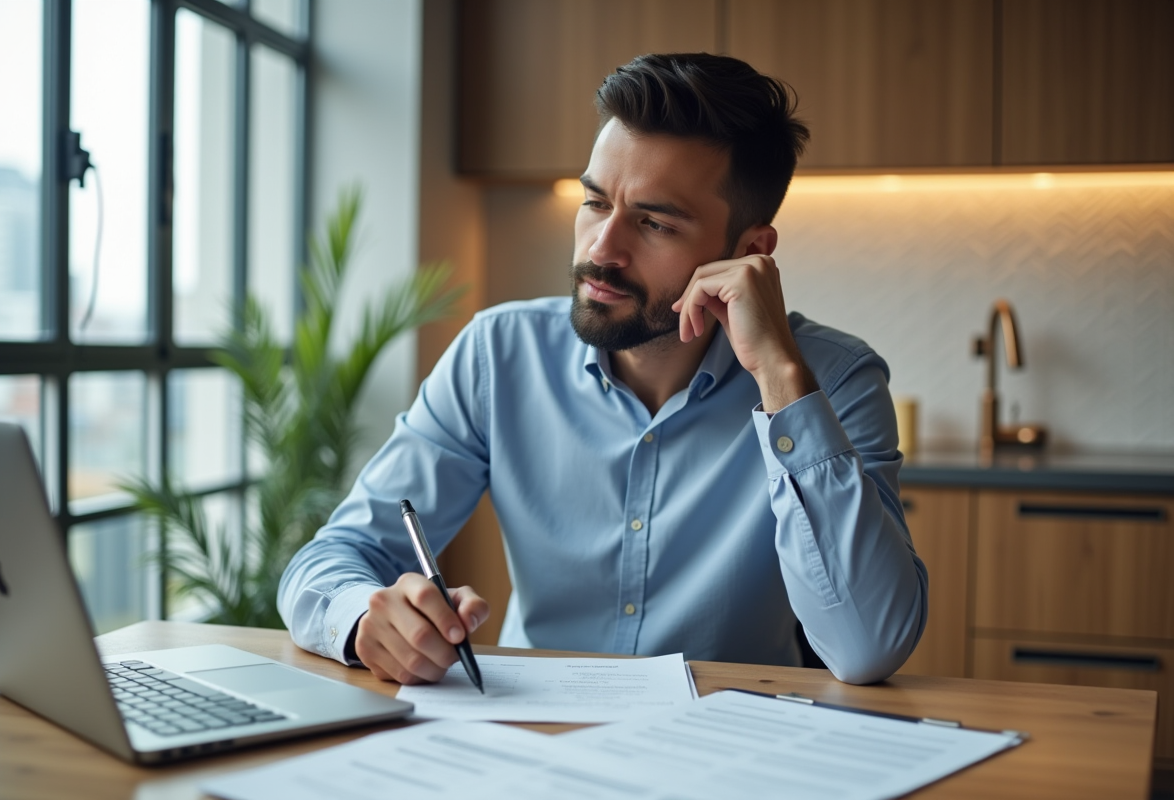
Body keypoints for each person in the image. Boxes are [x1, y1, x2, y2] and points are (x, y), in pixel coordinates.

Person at [278, 52, 927, 686]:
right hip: (531, 740)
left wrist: (782, 382)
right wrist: (364, 619)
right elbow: (330, 561)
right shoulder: (498, 354)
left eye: (653, 222)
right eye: (594, 203)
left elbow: (869, 648)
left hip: (727, 751)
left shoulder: (832, 381)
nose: (602, 249)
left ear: (750, 251)